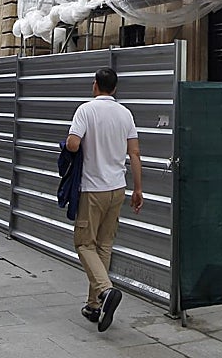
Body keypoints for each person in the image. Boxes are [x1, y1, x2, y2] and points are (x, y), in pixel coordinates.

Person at [65, 67, 142, 333]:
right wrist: (138, 189)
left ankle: (106, 291)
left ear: (95, 85)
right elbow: (134, 153)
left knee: (84, 243)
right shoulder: (126, 113)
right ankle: (94, 304)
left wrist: (70, 144)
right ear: (116, 88)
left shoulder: (85, 110)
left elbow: (73, 144)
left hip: (92, 188)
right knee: (104, 245)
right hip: (117, 188)